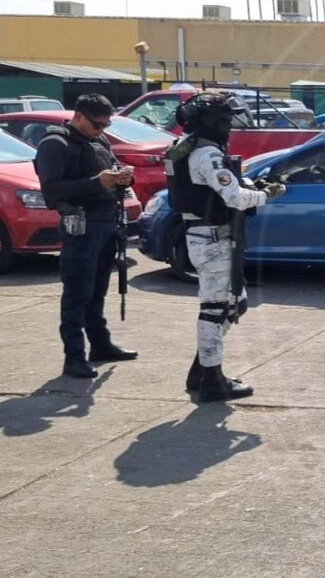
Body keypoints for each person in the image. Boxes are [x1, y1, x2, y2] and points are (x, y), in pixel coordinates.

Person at [164, 92, 286, 403]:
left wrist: (250, 185)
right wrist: (267, 194)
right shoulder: (206, 154)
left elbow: (219, 189)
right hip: (212, 239)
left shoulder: (187, 146)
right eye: (226, 120)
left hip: (205, 236)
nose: (229, 126)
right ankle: (212, 381)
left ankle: (202, 370)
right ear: (213, 121)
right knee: (215, 309)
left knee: (235, 303)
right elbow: (235, 198)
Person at [34, 93, 138, 379]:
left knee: (97, 290)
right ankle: (74, 357)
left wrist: (123, 178)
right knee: (77, 293)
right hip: (80, 226)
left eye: (105, 125)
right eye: (97, 124)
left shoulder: (99, 141)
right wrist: (97, 182)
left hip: (106, 223)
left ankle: (100, 345)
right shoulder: (55, 144)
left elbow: (111, 171)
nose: (101, 129)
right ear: (78, 116)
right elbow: (51, 191)